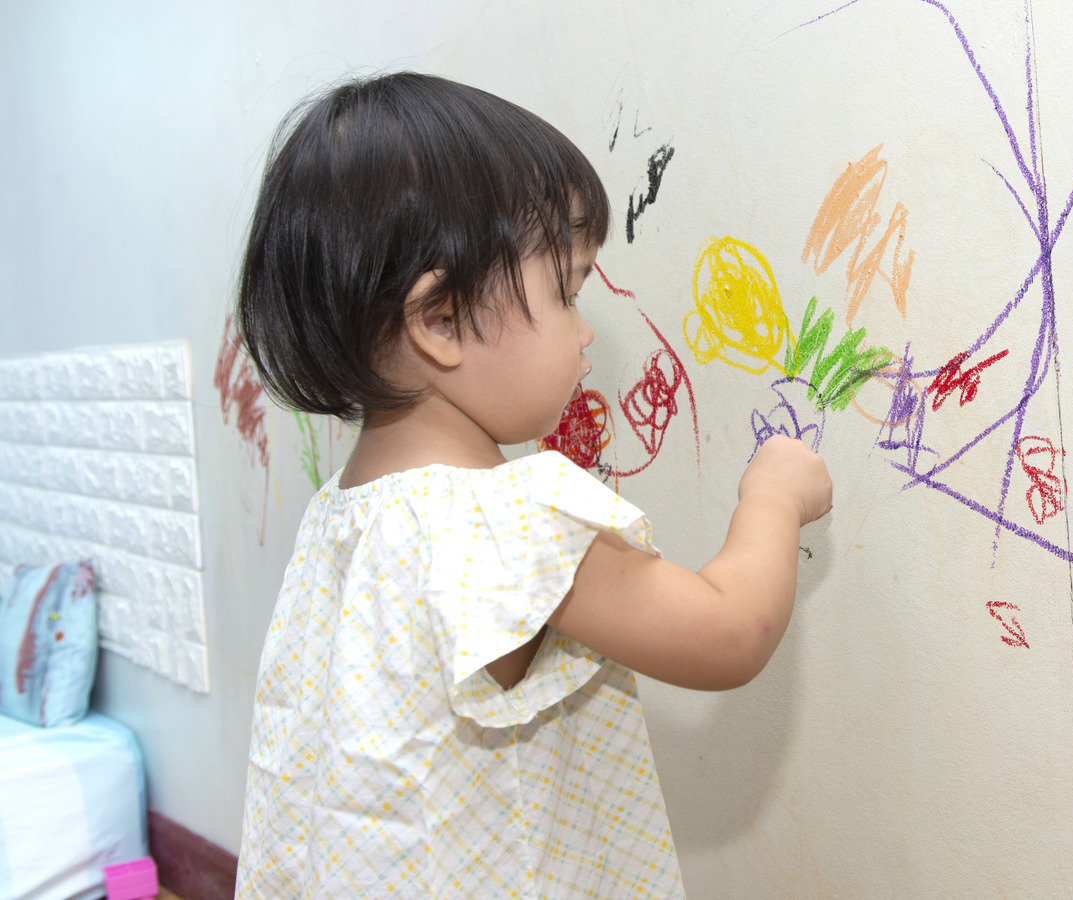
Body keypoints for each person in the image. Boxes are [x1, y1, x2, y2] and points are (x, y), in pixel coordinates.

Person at [231, 72, 831, 899]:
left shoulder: (341, 521)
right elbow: (730, 633)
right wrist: (774, 494)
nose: (586, 333)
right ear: (439, 323)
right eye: (568, 291)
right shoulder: (500, 523)